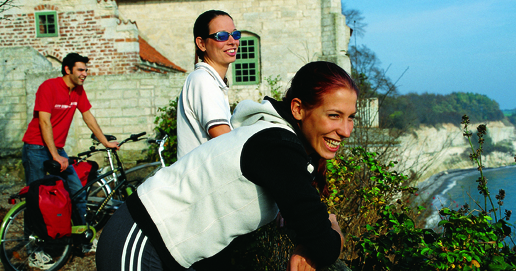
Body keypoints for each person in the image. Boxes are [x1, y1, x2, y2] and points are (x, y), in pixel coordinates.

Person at [96, 61, 355, 271]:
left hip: (165, 246)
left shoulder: (280, 140)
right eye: (334, 115)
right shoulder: (279, 147)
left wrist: (309, 240)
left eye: (350, 117)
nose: (345, 130)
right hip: (141, 239)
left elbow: (303, 219)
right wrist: (334, 226)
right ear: (298, 109)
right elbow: (324, 244)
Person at [21, 52, 118, 266]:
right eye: (81, 70)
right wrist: (55, 154)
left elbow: (88, 116)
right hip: (36, 147)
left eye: (85, 70)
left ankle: (80, 240)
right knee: (35, 200)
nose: (85, 74)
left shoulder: (78, 91)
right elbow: (44, 122)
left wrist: (105, 142)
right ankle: (34, 250)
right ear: (67, 69)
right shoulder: (48, 87)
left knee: (77, 192)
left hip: (57, 148)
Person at [177, 10, 240, 158]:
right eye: (222, 36)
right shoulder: (202, 79)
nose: (232, 41)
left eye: (235, 34)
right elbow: (225, 140)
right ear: (201, 43)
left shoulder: (211, 80)